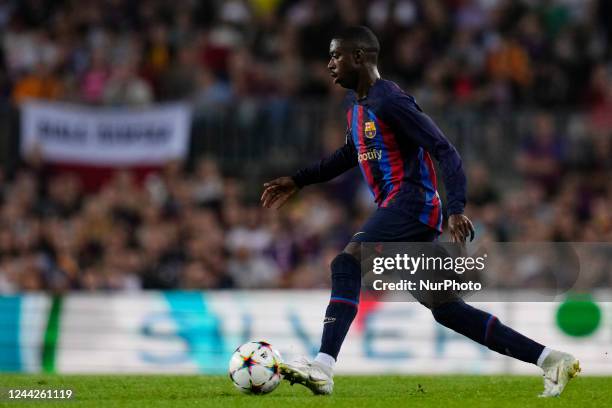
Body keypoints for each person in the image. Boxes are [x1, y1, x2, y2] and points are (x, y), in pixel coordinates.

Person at [261, 26, 579, 397]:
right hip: (405, 210)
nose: (330, 64)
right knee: (447, 309)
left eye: (336, 55)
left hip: (411, 202)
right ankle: (550, 359)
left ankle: (323, 366)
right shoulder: (358, 110)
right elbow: (348, 155)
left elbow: (445, 150)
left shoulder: (391, 101)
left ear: (360, 57)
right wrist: (299, 180)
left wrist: (456, 208)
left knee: (345, 263)